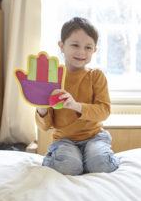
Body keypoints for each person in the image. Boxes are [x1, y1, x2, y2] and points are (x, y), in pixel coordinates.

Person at [36, 17, 119, 175]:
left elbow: (104, 111)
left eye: (88, 47)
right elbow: (45, 126)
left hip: (94, 137)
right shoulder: (52, 78)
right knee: (68, 167)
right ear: (61, 46)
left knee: (102, 165)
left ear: (94, 50)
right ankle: (61, 159)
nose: (82, 52)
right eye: (75, 45)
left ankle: (89, 159)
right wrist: (41, 106)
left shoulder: (96, 76)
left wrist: (76, 106)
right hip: (64, 140)